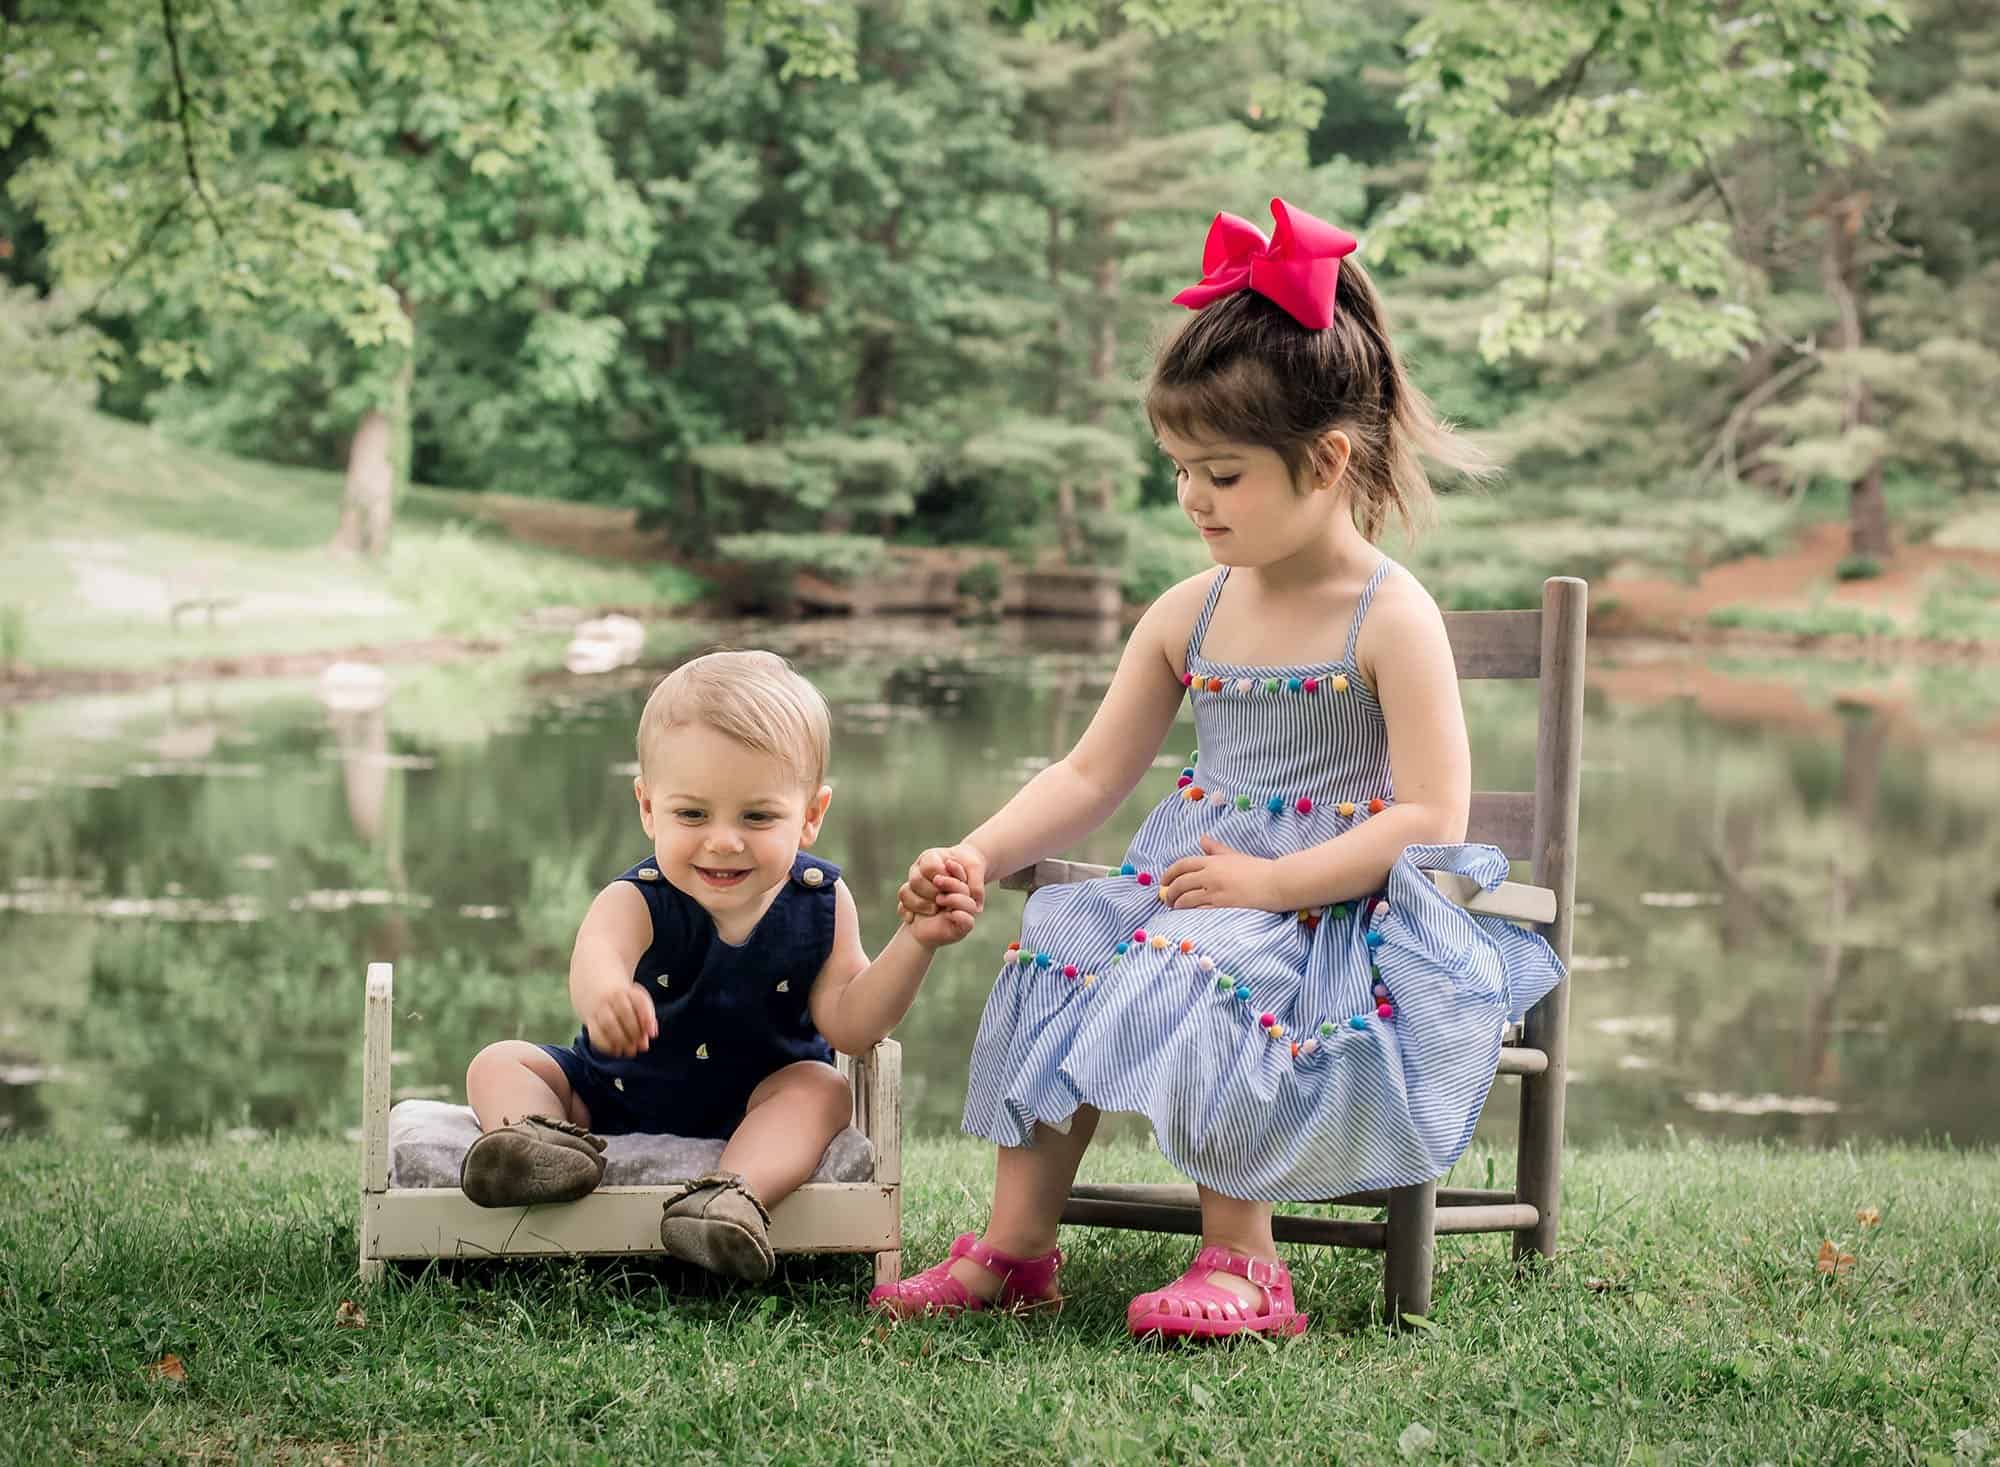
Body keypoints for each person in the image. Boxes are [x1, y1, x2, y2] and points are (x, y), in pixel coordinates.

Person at [874, 198, 1565, 1339]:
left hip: (1338, 911)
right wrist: (979, 852)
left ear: (1325, 461)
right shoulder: (1187, 611)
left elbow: (1432, 813)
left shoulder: (1389, 616)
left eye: (1223, 473)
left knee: (1204, 955)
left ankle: (1245, 1264)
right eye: (1181, 470)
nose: (1193, 497)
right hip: (1194, 893)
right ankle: (1014, 1249)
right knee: (1060, 933)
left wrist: (1274, 883)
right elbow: (1090, 774)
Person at [461, 649, 975, 1284]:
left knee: (823, 1088)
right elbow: (596, 956)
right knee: (499, 1061)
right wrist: (607, 994)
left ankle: (728, 1197)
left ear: (811, 816)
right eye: (692, 814)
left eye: (757, 816)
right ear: (648, 807)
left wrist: (916, 942)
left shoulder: (819, 901)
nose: (724, 840)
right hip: (608, 1097)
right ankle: (538, 1145)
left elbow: (852, 1026)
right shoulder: (638, 898)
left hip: (757, 1104)